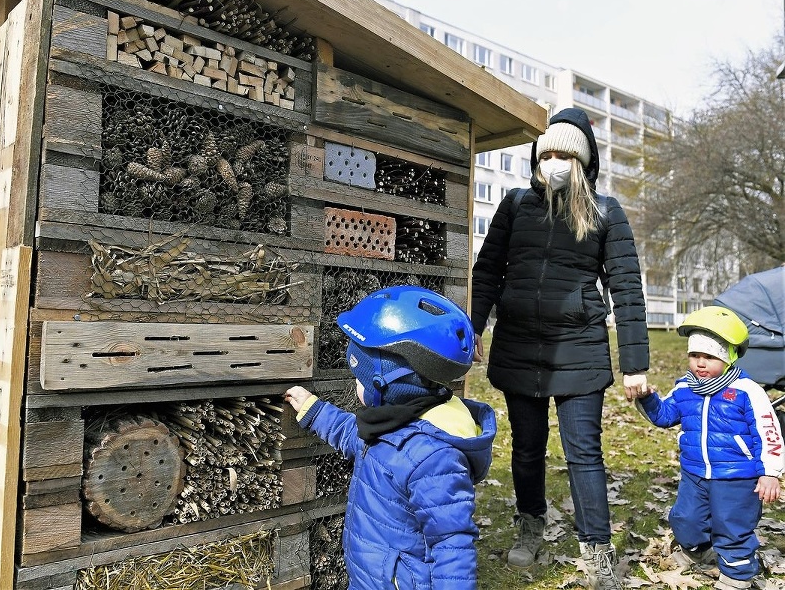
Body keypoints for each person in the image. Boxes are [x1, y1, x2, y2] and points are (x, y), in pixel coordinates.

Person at [470, 107, 650, 589]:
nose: (553, 162)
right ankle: (531, 524)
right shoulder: (513, 205)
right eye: (546, 153)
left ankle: (597, 550)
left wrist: (635, 364)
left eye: (564, 155)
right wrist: (473, 330)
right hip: (519, 345)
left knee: (584, 453)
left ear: (583, 163)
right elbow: (487, 271)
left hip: (580, 347)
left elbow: (627, 289)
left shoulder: (606, 211)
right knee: (527, 450)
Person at [284, 285, 497, 590]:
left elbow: (452, 545)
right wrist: (314, 411)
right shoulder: (391, 423)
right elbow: (351, 434)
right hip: (372, 577)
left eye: (360, 378)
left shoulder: (435, 458)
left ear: (387, 381)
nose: (355, 387)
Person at [636, 306, 785, 590]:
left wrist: (769, 472)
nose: (700, 363)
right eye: (694, 355)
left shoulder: (746, 391)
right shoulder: (685, 388)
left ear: (728, 357)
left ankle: (736, 577)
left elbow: (769, 432)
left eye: (710, 357)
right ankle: (700, 551)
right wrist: (648, 399)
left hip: (737, 478)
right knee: (685, 519)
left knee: (732, 526)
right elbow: (664, 416)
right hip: (695, 473)